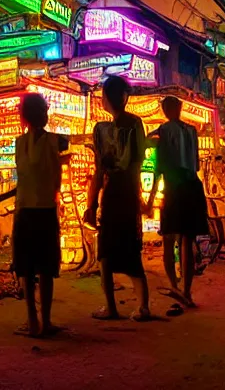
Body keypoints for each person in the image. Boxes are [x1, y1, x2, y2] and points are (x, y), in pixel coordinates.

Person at [0, 94, 69, 337]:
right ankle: (45, 321)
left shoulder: (18, 143)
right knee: (45, 269)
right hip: (45, 211)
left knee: (26, 267)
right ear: (44, 114)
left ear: (23, 117)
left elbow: (26, 178)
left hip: (24, 210)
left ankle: (32, 321)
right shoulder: (57, 141)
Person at [86, 76, 153, 321]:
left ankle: (111, 307)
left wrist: (91, 205)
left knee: (106, 253)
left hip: (114, 196)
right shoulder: (135, 124)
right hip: (128, 196)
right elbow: (136, 163)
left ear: (105, 99)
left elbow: (99, 171)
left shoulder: (102, 131)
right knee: (131, 252)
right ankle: (143, 306)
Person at [148, 96, 206, 312]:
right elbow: (196, 164)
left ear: (164, 110)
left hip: (173, 187)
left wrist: (151, 200)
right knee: (187, 242)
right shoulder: (192, 131)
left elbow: (158, 171)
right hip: (192, 186)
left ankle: (174, 286)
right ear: (180, 109)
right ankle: (187, 290)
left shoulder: (162, 132)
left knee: (168, 238)